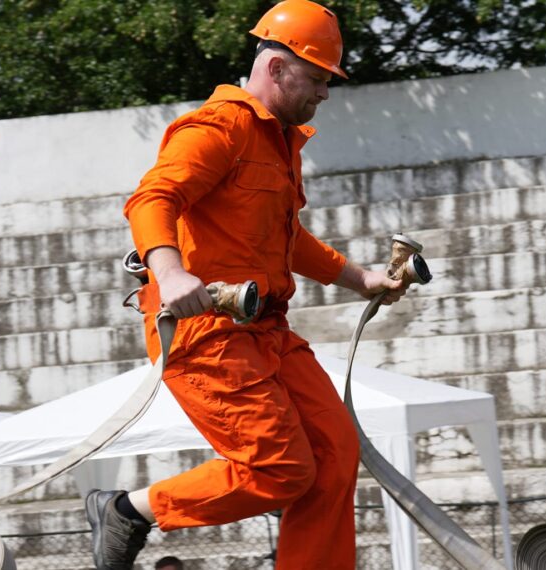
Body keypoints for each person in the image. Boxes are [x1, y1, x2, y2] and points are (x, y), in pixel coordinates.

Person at [84, 2, 408, 569]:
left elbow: (286, 236)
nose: (324, 93)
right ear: (277, 68)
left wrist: (360, 278)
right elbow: (152, 200)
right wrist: (170, 272)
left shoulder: (280, 141)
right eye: (317, 78)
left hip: (267, 331)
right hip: (206, 332)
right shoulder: (218, 128)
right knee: (281, 469)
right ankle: (130, 510)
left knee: (335, 455)